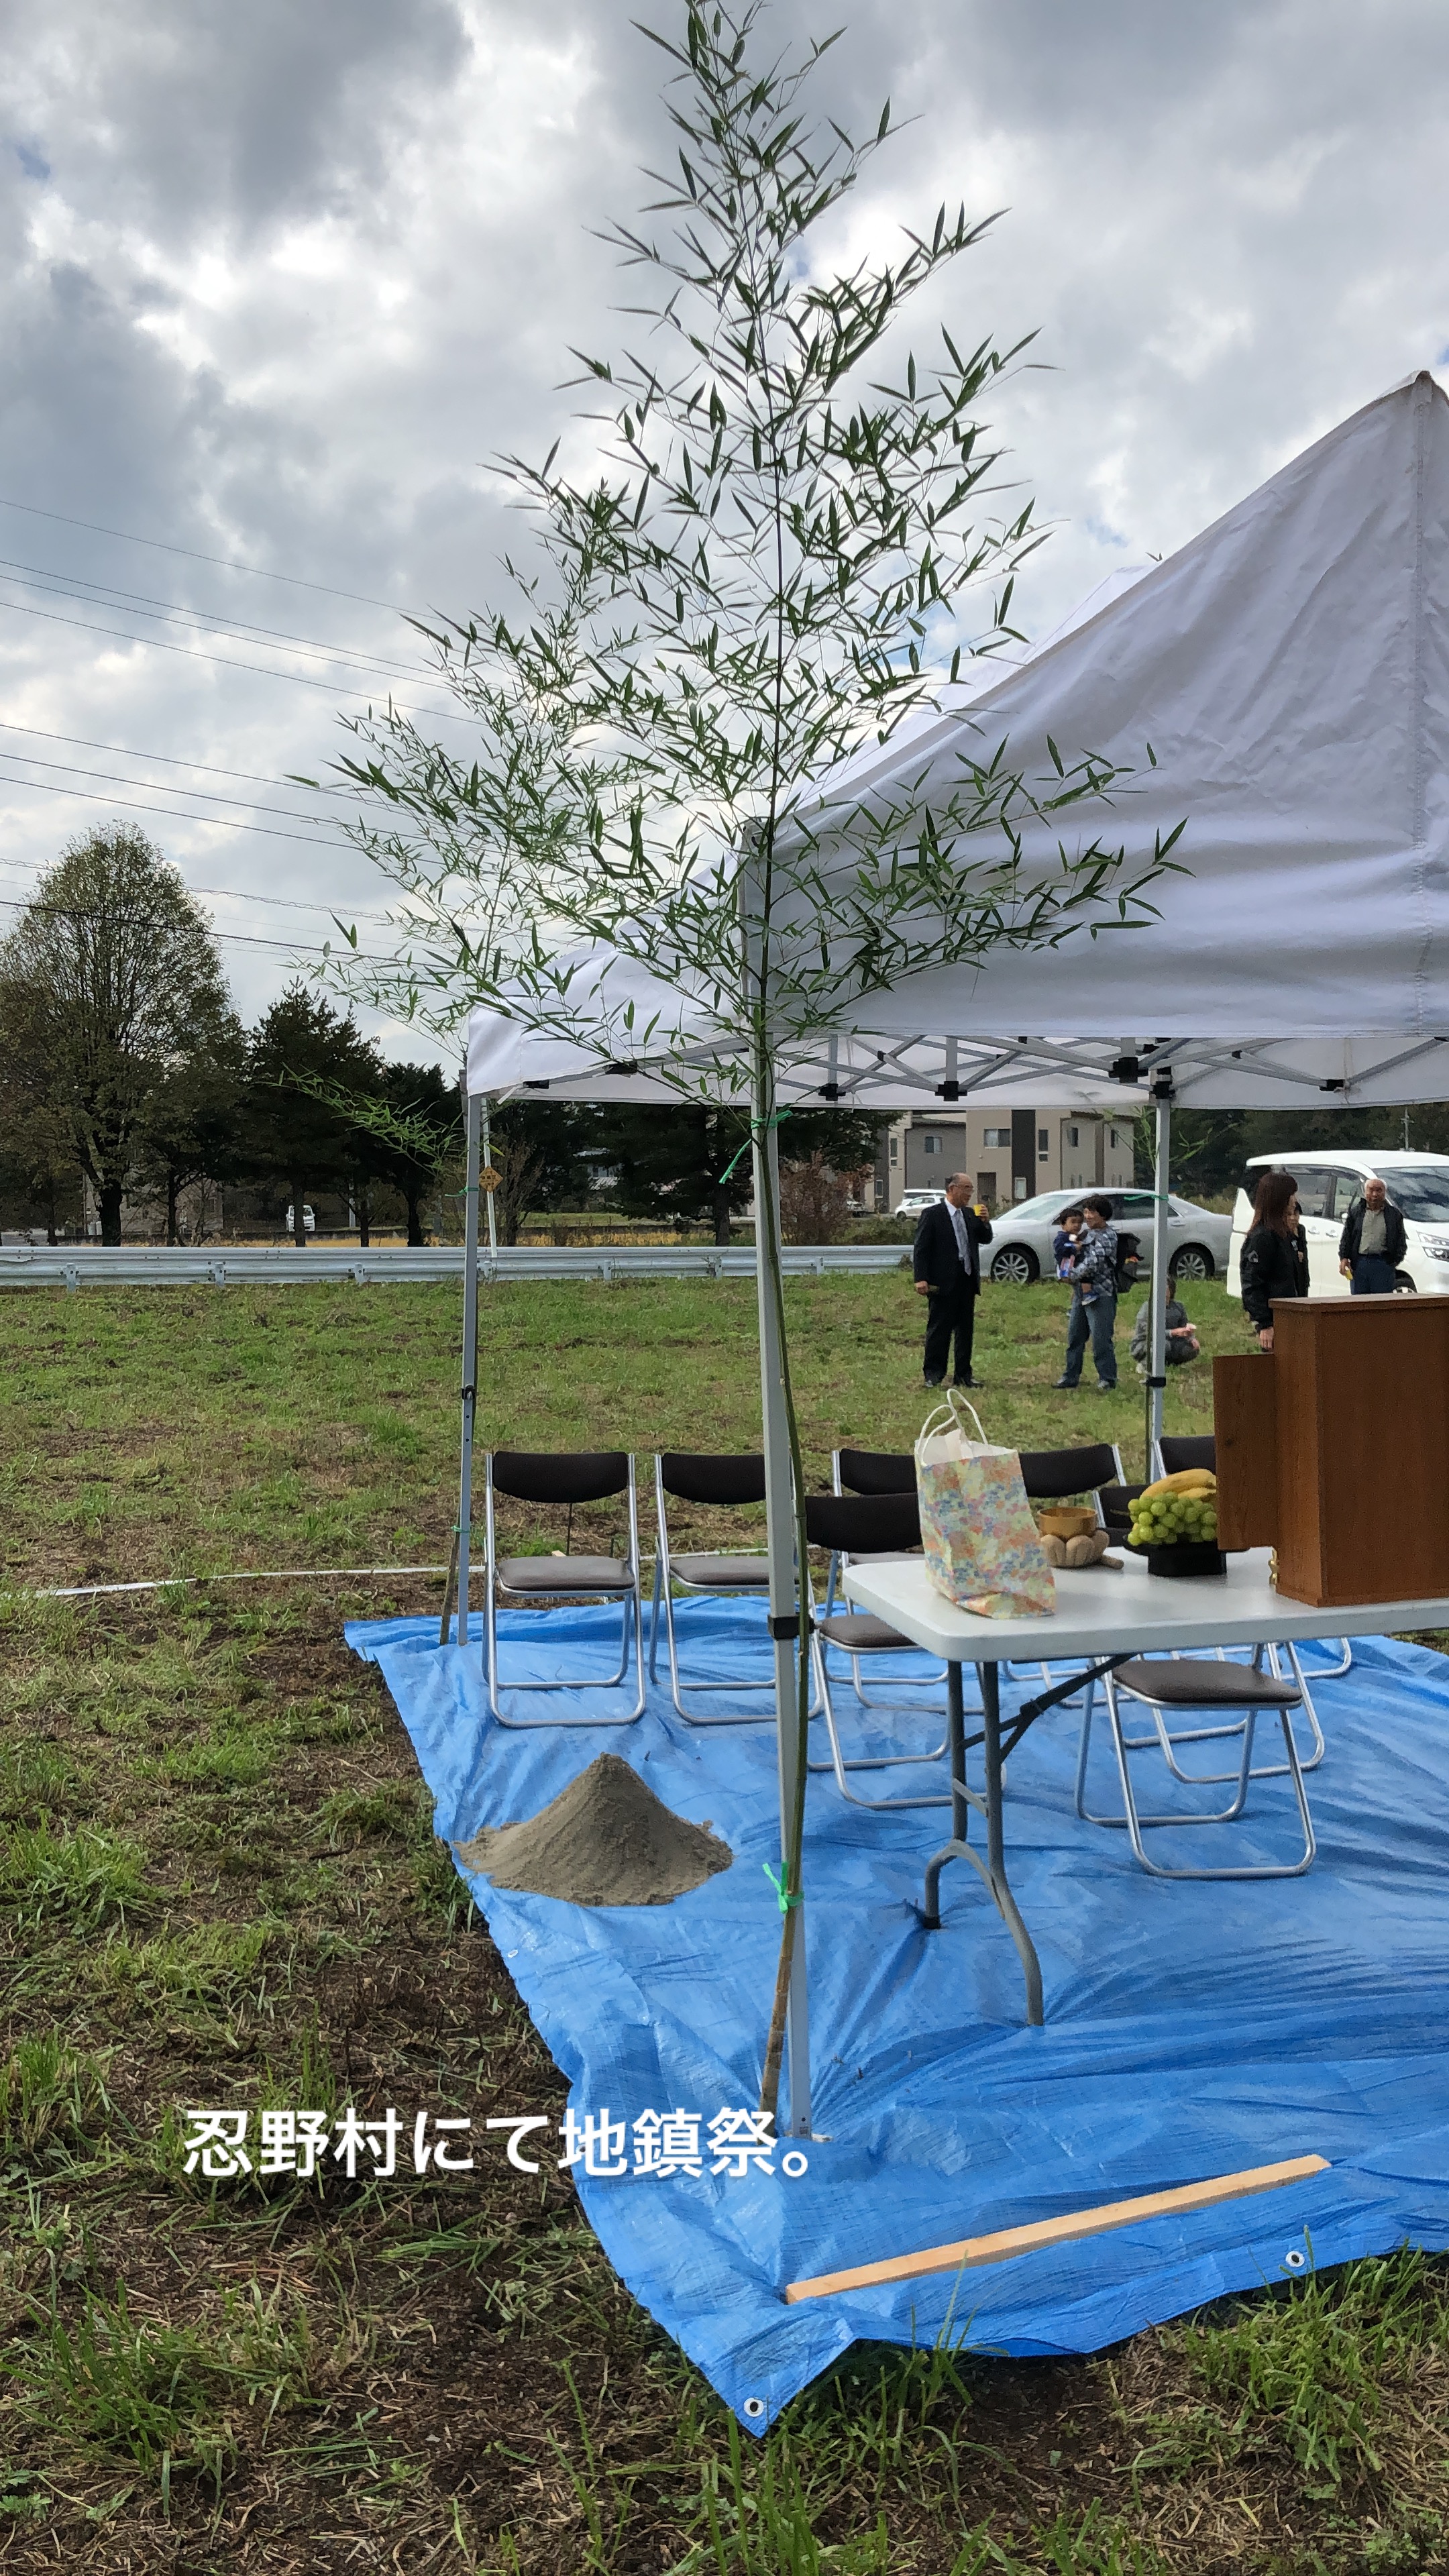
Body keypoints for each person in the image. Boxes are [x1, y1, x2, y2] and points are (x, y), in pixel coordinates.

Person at [912, 1175, 993, 1387]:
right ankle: (933, 1374)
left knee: (965, 1330)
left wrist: (985, 1222)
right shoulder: (933, 1214)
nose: (969, 1193)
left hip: (966, 1278)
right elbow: (921, 1248)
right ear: (952, 1188)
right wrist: (921, 1278)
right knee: (939, 1328)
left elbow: (985, 1239)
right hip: (942, 1280)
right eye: (966, 1188)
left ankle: (963, 1375)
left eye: (971, 1189)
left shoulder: (969, 1214)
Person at [1054, 1194, 1120, 1391]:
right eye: (1086, 1212)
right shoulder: (1084, 1235)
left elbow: (1094, 1262)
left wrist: (1072, 1275)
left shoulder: (1108, 1236)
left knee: (1101, 1340)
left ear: (1103, 1215)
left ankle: (1107, 1379)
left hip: (1102, 1295)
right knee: (1075, 1337)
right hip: (1080, 1295)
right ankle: (1070, 1376)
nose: (1088, 1216)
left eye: (1092, 1212)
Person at [1239, 1168, 1309, 1350]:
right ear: (1279, 1199)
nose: (1294, 1201)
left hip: (1293, 1317)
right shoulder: (1262, 1237)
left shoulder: (1286, 1235)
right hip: (1275, 1321)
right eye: (1291, 1196)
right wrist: (1265, 1324)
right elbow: (1252, 1284)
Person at [1338, 1173, 1406, 1295]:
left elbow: (1401, 1241)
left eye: (1379, 1190)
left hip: (1383, 1264)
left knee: (1381, 1305)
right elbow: (1347, 1238)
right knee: (1359, 1303)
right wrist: (1344, 1258)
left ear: (1384, 1193)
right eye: (1371, 1190)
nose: (1375, 1195)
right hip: (1360, 1264)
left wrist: (1394, 1262)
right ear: (1365, 1193)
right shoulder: (1356, 1213)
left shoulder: (1394, 1215)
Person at [1130, 1293, 1200, 1379]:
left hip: (1172, 1342)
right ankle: (1146, 1364)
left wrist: (1190, 1337)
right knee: (1163, 1345)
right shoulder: (1148, 1308)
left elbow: (1183, 1325)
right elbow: (1151, 1333)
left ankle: (1168, 1364)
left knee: (1191, 1348)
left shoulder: (1178, 1307)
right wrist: (1172, 1332)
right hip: (1145, 1343)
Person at [1052, 1206, 1084, 1277]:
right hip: (1065, 1268)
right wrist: (1074, 1248)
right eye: (1073, 1222)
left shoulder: (1073, 1236)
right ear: (1063, 1224)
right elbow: (1060, 1250)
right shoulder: (1061, 1238)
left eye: (1080, 1223)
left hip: (1075, 1267)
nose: (1077, 1225)